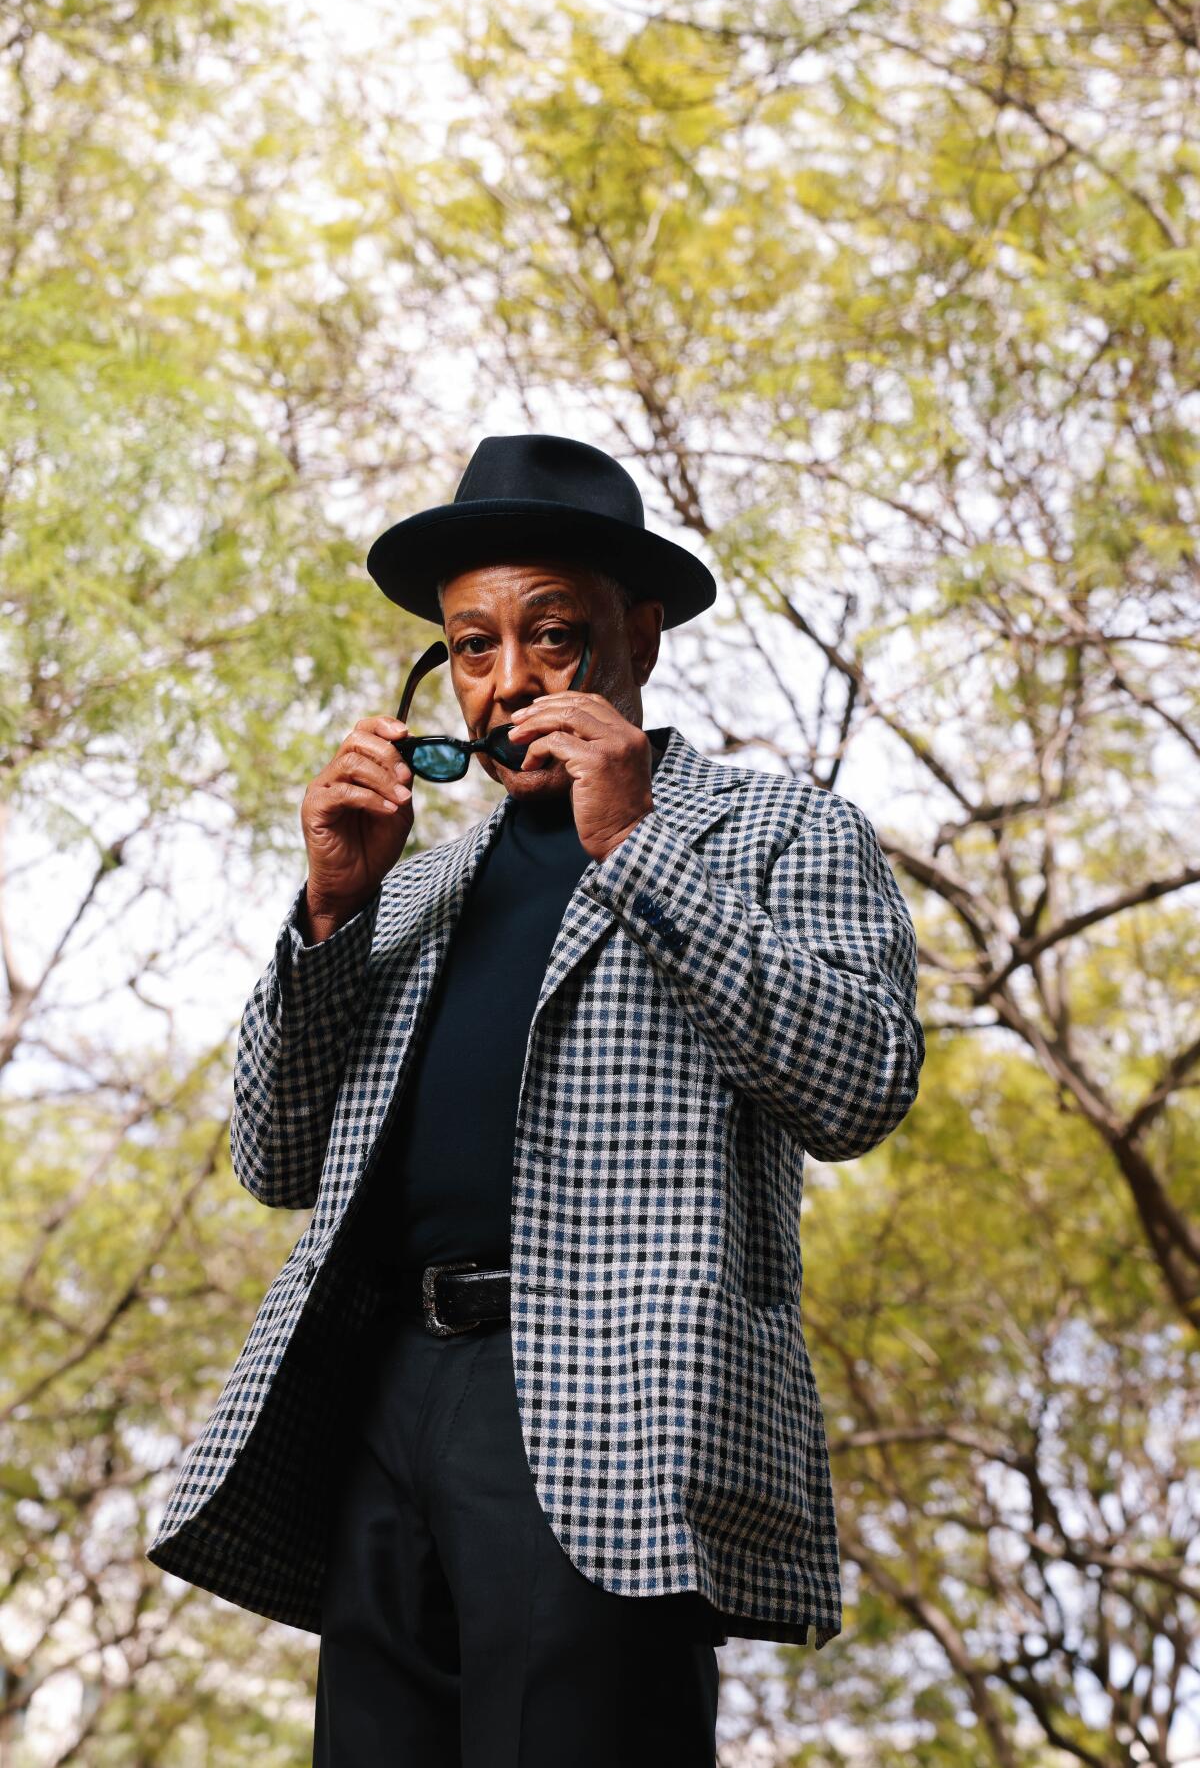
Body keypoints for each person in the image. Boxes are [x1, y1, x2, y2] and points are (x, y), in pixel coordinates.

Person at [147, 433, 926, 1767]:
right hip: (384, 1398)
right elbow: (274, 1157)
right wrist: (332, 910)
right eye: (469, 646)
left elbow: (858, 1086)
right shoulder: (410, 884)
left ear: (641, 633)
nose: (505, 684)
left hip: (608, 1399)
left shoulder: (779, 834)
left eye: (551, 637)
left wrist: (635, 850)